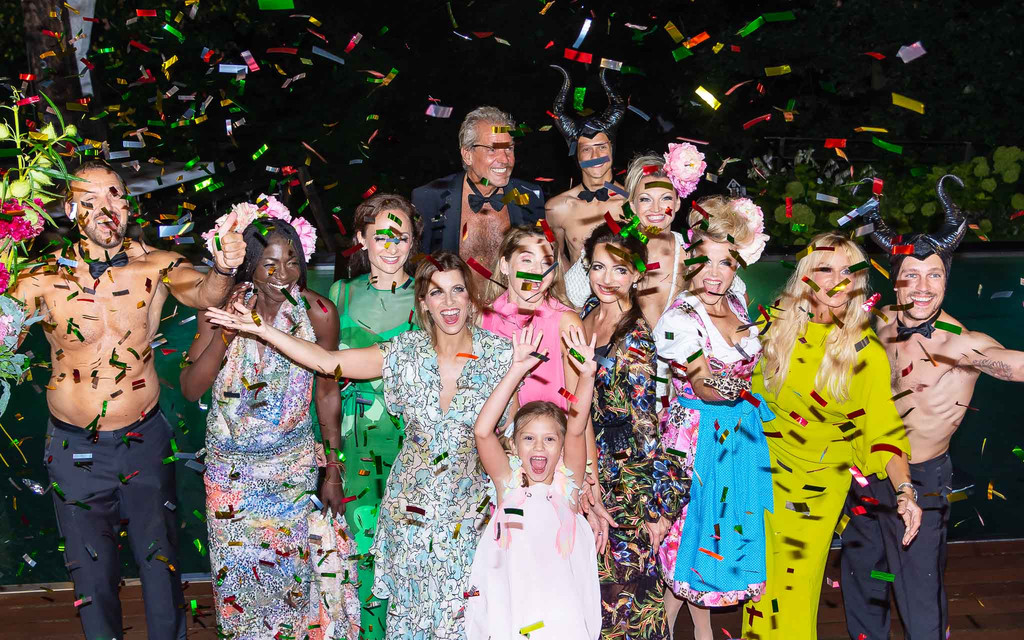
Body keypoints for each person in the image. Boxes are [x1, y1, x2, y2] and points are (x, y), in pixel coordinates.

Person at [204, 251, 516, 640]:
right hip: (411, 513)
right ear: (423, 302)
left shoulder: (502, 355)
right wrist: (263, 331)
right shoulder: (403, 351)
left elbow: (511, 438)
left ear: (471, 298)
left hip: (473, 512)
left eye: (458, 290)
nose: (449, 302)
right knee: (413, 618)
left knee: (470, 618)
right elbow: (326, 362)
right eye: (437, 292)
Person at [10, 160, 245, 640]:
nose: (106, 207)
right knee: (91, 575)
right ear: (70, 210)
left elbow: (206, 293)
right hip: (73, 448)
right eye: (90, 199)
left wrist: (223, 265)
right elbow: (4, 337)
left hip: (144, 439)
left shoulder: (158, 264)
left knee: (160, 562)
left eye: (114, 195)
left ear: (127, 203)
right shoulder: (39, 278)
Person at [841, 175, 1024, 640]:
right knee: (864, 579)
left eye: (935, 275)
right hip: (865, 470)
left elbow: (1015, 366)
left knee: (918, 592)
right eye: (912, 275)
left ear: (947, 279)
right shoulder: (875, 324)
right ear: (894, 279)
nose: (923, 287)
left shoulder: (963, 345)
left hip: (922, 479)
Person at [181, 199, 358, 639]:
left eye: (292, 262)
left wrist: (333, 469)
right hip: (231, 479)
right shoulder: (220, 308)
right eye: (270, 264)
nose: (284, 274)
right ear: (251, 267)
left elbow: (327, 391)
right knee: (239, 585)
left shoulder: (318, 313)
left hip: (290, 474)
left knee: (292, 587)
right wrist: (225, 335)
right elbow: (190, 388)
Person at [744, 232, 923, 640]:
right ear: (807, 274)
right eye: (826, 269)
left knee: (794, 587)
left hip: (816, 485)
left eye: (849, 271)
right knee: (759, 587)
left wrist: (905, 490)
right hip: (759, 471)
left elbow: (884, 428)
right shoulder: (774, 325)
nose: (838, 280)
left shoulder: (864, 352)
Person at [653, 197, 774, 640]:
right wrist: (736, 389)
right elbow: (703, 382)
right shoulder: (680, 318)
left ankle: (665, 632)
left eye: (726, 262)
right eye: (705, 260)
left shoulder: (738, 303)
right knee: (691, 543)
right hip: (698, 439)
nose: (715, 272)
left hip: (738, 438)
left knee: (710, 547)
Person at [579, 223, 685, 639]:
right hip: (585, 459)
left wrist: (657, 509)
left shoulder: (636, 338)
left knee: (624, 600)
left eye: (620, 270)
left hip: (625, 478)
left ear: (637, 275)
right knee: (590, 593)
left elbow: (646, 426)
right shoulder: (587, 312)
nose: (607, 279)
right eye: (598, 267)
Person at [466, 324, 601, 640]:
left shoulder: (567, 489)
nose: (539, 447)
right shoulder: (508, 484)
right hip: (517, 614)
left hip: (562, 620)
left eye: (550, 439)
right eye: (528, 438)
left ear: (562, 447)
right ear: (514, 446)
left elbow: (577, 427)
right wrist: (516, 370)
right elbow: (483, 431)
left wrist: (586, 376)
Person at [326, 193, 421, 638]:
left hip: (415, 448)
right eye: (381, 235)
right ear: (362, 239)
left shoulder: (431, 295)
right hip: (356, 446)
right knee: (363, 552)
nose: (391, 246)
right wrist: (329, 456)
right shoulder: (340, 293)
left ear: (412, 242)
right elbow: (323, 380)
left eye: (401, 236)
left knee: (413, 550)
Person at [413, 106, 545, 293]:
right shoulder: (429, 199)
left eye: (509, 148)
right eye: (492, 149)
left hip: (513, 307)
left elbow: (545, 260)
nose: (504, 159)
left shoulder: (531, 197)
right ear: (467, 154)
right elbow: (417, 269)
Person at [544, 66, 627, 308]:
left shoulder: (632, 202)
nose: (595, 156)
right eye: (586, 149)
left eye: (602, 147)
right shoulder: (557, 208)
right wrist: (568, 304)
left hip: (624, 309)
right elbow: (556, 258)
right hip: (577, 309)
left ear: (612, 150)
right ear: (576, 155)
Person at [479, 225, 581, 410]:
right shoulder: (483, 319)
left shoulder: (566, 324)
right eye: (527, 260)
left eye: (546, 263)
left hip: (554, 427)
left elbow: (577, 405)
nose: (537, 272)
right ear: (504, 265)